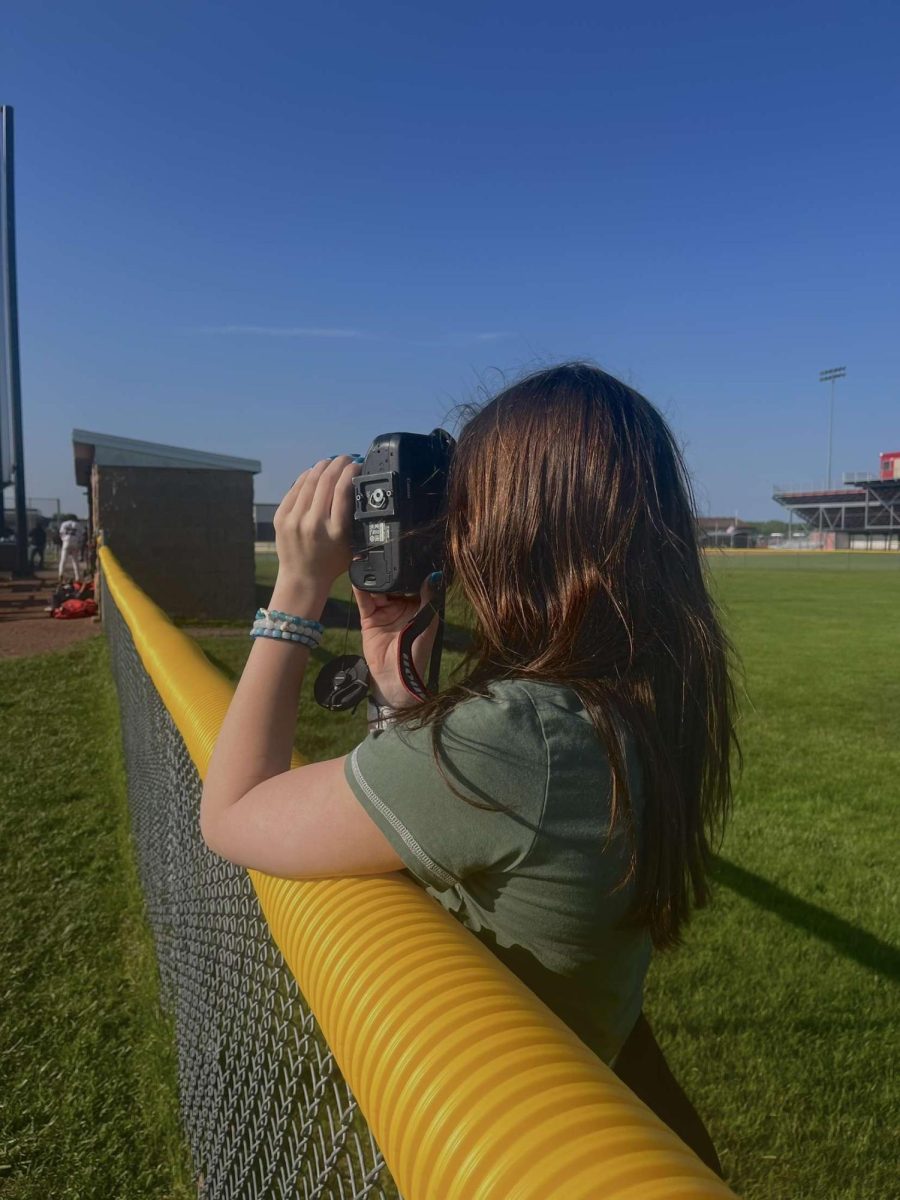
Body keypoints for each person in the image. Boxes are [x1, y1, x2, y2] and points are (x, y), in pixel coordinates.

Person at [201, 363, 738, 1176]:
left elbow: (233, 811)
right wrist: (392, 678)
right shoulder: (628, 701)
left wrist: (299, 591)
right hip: (586, 1120)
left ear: (515, 528)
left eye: (468, 505)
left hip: (507, 1153)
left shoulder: (520, 736)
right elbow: (470, 809)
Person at [57, 516, 82, 583]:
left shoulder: (64, 523)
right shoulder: (77, 524)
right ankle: (77, 577)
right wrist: (78, 542)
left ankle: (61, 574)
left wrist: (63, 540)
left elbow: (61, 533)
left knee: (63, 560)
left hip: (66, 542)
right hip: (75, 542)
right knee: (75, 561)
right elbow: (81, 535)